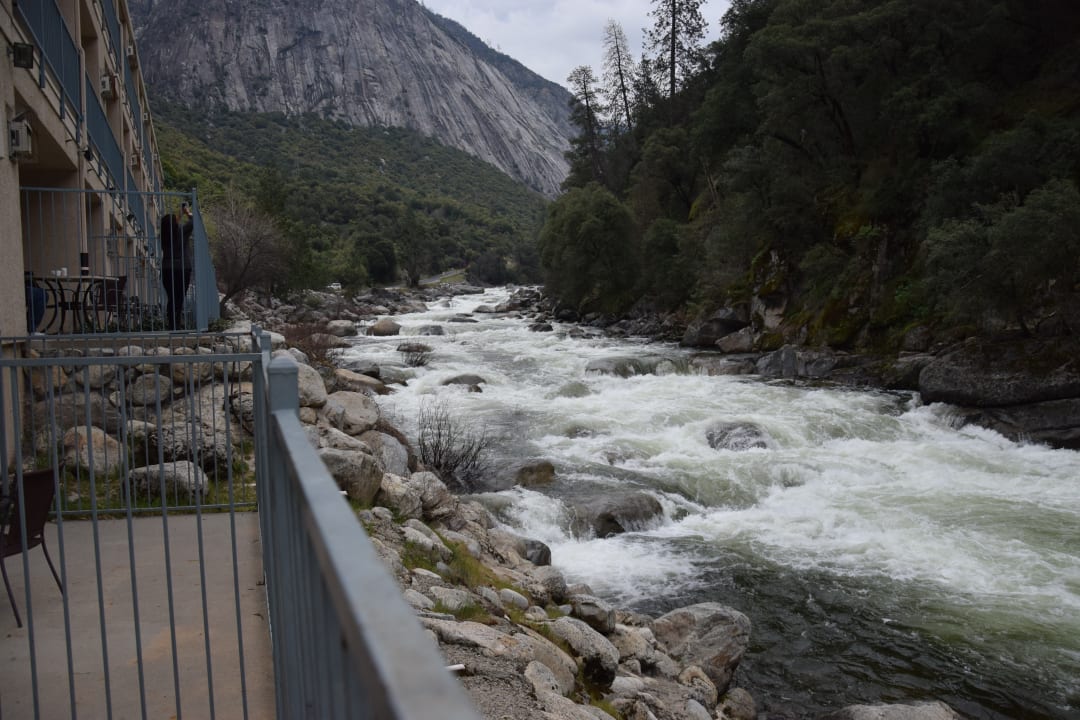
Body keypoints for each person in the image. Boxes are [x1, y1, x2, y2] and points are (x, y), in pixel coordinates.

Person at [160, 203, 194, 330]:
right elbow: (193, 221)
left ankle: (171, 324)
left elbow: (171, 226)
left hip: (167, 268)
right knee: (179, 297)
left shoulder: (163, 236)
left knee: (172, 297)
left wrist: (179, 215)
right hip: (182, 268)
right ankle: (176, 325)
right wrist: (187, 212)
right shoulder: (181, 231)